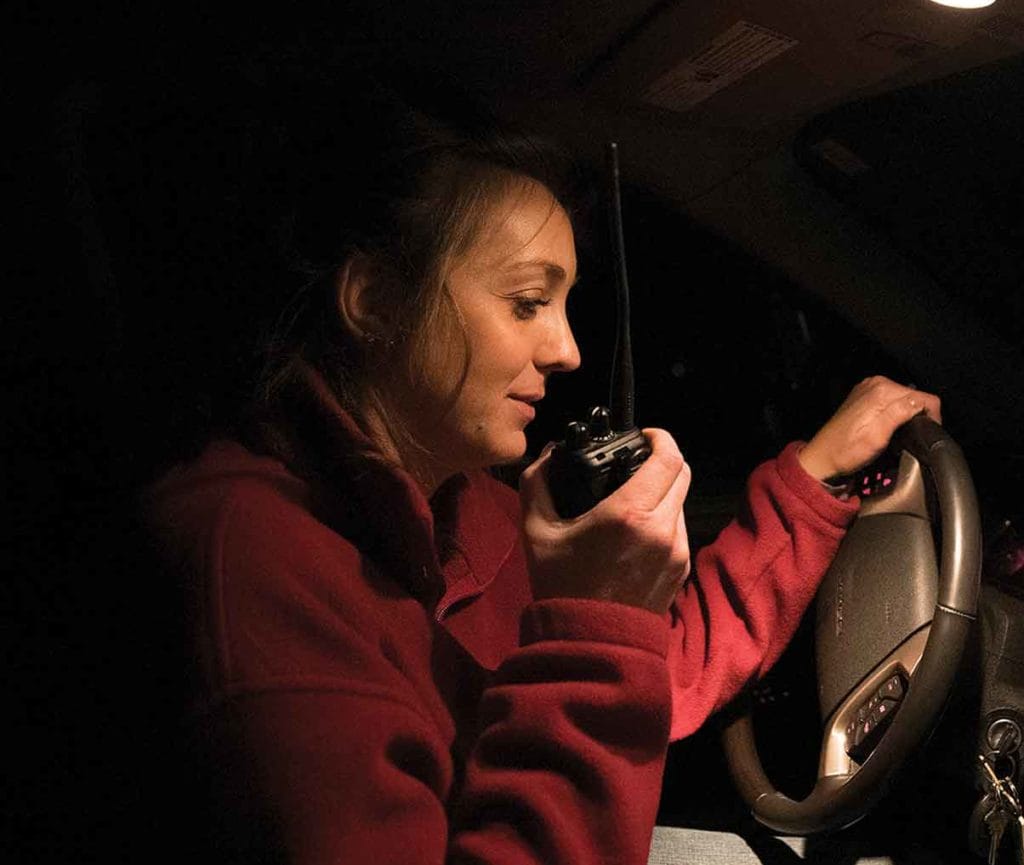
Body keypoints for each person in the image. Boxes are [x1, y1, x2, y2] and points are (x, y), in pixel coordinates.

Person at [144, 91, 941, 865]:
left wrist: (812, 476)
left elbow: (660, 670)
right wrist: (595, 617)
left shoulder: (472, 507)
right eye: (527, 302)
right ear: (376, 299)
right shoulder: (249, 561)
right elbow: (595, 673)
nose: (567, 351)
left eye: (563, 304)